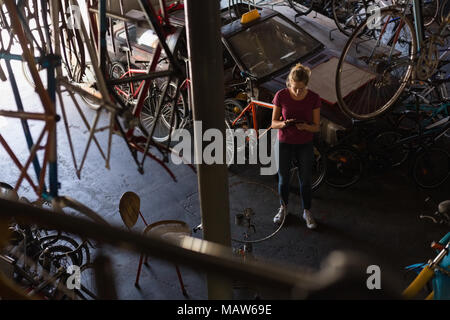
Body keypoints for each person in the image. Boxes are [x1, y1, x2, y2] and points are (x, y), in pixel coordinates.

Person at [271, 63, 321, 229]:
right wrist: (284, 123)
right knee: (283, 180)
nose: (298, 91)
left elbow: (316, 126)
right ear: (289, 83)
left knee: (305, 180)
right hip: (285, 142)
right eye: (294, 88)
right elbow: (273, 123)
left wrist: (306, 127)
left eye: (301, 88)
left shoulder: (314, 98)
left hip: (304, 143)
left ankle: (307, 211)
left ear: (306, 84)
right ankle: (283, 208)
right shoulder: (281, 95)